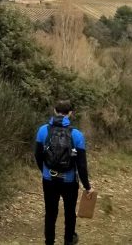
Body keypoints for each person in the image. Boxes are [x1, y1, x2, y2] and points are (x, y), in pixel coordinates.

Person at [34, 100, 91, 245]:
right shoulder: (77, 135)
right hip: (69, 181)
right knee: (70, 214)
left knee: (50, 214)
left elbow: (38, 156)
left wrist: (45, 171)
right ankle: (68, 242)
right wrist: (87, 186)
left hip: (49, 179)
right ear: (70, 113)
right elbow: (82, 165)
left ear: (54, 110)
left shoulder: (42, 130)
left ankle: (49, 242)